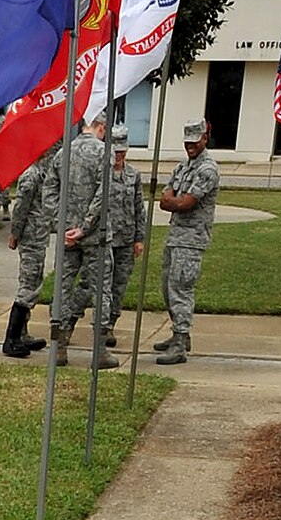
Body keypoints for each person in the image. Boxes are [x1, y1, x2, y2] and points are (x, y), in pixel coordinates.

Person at [153, 118, 221, 365]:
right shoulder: (183, 167)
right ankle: (179, 334)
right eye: (187, 142)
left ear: (204, 138)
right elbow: (164, 198)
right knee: (167, 288)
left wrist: (174, 201)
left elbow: (186, 203)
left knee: (180, 289)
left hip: (191, 240)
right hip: (175, 236)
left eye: (194, 141)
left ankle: (180, 343)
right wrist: (173, 201)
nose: (190, 146)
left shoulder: (207, 169)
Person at [50, 115, 115, 365]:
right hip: (95, 235)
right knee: (101, 290)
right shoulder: (103, 153)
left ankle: (60, 347)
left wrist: (62, 224)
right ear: (101, 127)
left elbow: (50, 190)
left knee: (63, 288)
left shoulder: (63, 152)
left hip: (68, 234)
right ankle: (99, 351)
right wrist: (86, 226)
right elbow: (104, 193)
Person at [2, 144, 55, 358]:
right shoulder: (31, 175)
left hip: (39, 234)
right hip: (31, 236)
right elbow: (21, 207)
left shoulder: (40, 172)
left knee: (34, 283)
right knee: (28, 285)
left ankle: (22, 332)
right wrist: (14, 233)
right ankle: (11, 338)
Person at [103, 126, 147, 349]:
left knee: (119, 285)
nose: (118, 156)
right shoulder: (102, 174)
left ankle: (110, 323)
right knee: (101, 284)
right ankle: (95, 323)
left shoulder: (133, 175)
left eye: (122, 151)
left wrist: (140, 238)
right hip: (107, 239)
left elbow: (139, 208)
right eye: (115, 151)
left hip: (127, 239)